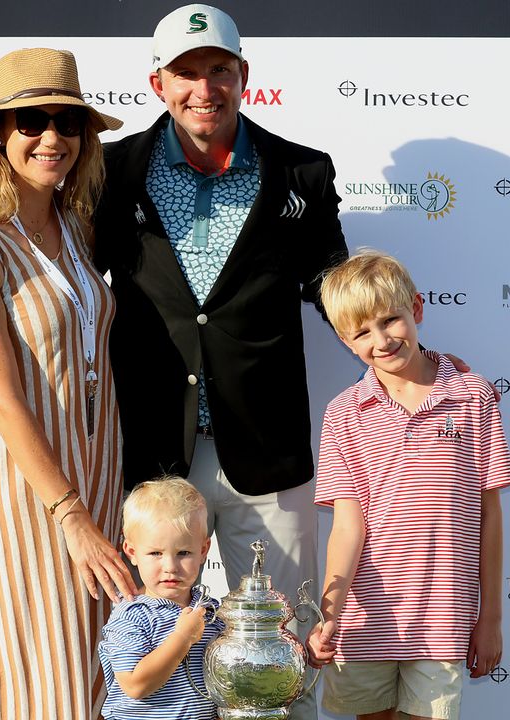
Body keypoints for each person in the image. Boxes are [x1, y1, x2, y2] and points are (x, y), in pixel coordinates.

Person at [93, 14, 344, 717]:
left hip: (267, 453)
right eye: (186, 73)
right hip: (156, 458)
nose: (204, 88)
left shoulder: (301, 170)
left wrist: (382, 325)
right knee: (161, 665)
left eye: (219, 71)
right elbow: (74, 278)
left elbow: (327, 274)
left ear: (242, 77)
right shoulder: (112, 170)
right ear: (158, 83)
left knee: (285, 654)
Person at [0, 48, 136, 720]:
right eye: (30, 121)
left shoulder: (76, 228)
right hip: (27, 492)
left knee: (89, 670)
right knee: (35, 673)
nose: (51, 137)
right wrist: (69, 514)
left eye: (67, 122)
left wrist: (92, 506)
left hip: (97, 479)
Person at [306, 250, 510, 720]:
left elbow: (489, 516)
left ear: (416, 309)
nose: (381, 340)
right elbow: (347, 527)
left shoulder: (472, 395)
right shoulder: (343, 412)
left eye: (390, 320)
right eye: (362, 332)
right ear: (345, 340)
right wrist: (330, 614)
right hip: (364, 618)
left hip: (444, 617)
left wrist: (492, 618)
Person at [99, 477, 224, 719]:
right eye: (155, 553)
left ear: (203, 551)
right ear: (132, 553)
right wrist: (182, 638)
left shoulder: (210, 611)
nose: (170, 566)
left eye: (183, 553)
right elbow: (135, 685)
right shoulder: (132, 615)